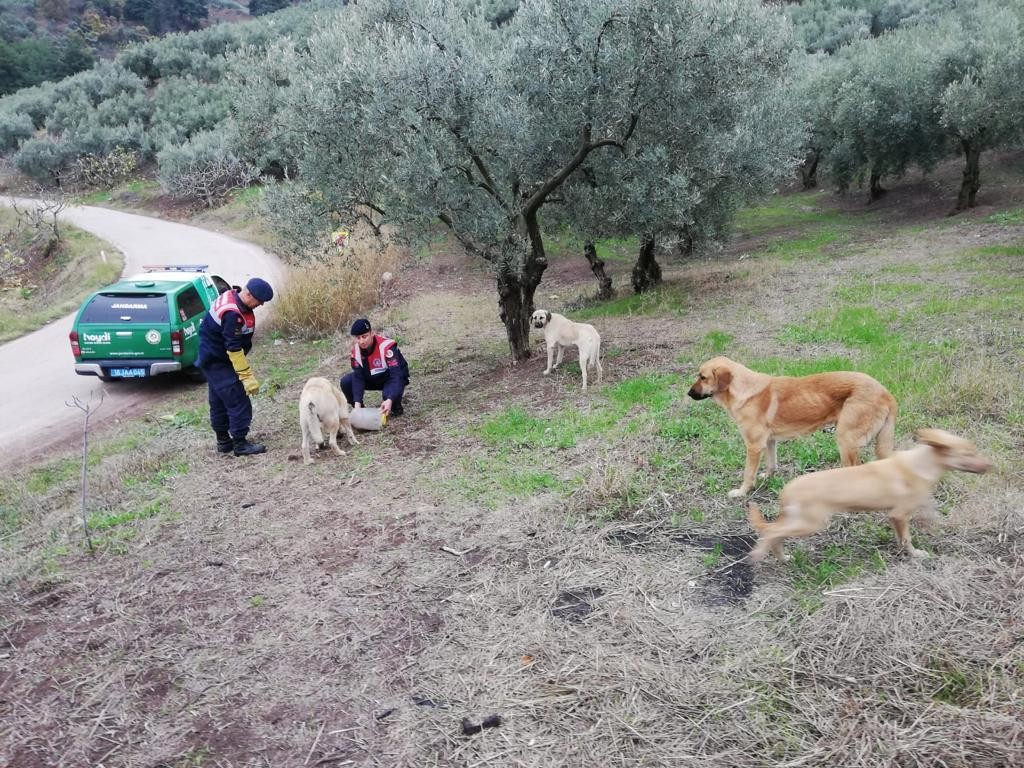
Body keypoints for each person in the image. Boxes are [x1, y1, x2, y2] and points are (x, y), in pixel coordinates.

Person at [197, 277, 274, 456]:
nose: (261, 305)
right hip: (220, 361)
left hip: (211, 358)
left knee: (218, 401)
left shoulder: (232, 296)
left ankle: (223, 442)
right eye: (259, 301)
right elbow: (233, 348)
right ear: (248, 294)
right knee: (238, 400)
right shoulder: (232, 313)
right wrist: (246, 376)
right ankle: (240, 444)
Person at [340, 318, 410, 417]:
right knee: (346, 382)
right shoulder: (356, 352)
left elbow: (397, 375)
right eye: (358, 338)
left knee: (388, 395)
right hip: (372, 377)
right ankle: (362, 412)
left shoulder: (387, 347)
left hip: (391, 377)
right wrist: (357, 405)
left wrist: (390, 399)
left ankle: (395, 406)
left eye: (364, 336)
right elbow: (358, 378)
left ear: (372, 333)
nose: (361, 341)